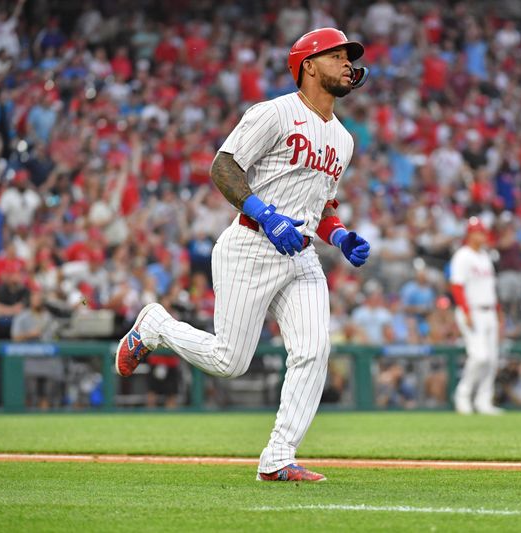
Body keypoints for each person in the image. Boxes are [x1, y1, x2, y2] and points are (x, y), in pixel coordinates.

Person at [115, 28, 371, 482]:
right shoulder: (274, 113)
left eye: (350, 57)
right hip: (251, 244)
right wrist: (266, 214)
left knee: (314, 350)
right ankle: (154, 325)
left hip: (301, 255)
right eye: (337, 55)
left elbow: (322, 205)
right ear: (308, 65)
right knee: (229, 362)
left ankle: (277, 458)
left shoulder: (345, 141)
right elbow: (224, 166)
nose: (348, 63)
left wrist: (340, 236)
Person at [449, 217, 503, 415]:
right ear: (471, 234)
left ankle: (483, 401)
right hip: (472, 311)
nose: (483, 235)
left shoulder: (484, 256)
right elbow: (456, 286)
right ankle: (462, 395)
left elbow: (491, 288)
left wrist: (499, 313)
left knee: (492, 360)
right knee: (479, 357)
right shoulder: (463, 255)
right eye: (479, 232)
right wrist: (465, 311)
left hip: (489, 311)